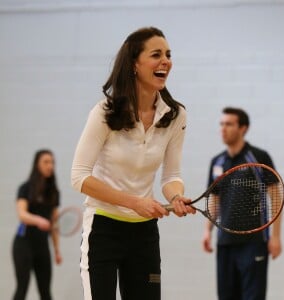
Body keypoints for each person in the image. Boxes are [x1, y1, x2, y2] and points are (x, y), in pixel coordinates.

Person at [71, 26, 195, 300]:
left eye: (168, 54)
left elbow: (171, 175)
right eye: (156, 55)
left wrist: (175, 196)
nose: (166, 61)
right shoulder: (105, 112)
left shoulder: (176, 116)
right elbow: (79, 177)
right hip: (103, 229)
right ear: (134, 65)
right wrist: (134, 202)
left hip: (144, 233)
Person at [202, 107, 282, 300]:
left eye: (229, 124)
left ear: (243, 128)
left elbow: (275, 196)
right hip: (225, 243)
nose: (223, 128)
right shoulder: (217, 162)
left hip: (254, 243)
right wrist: (207, 231)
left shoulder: (259, 158)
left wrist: (276, 237)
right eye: (221, 124)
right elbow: (215, 198)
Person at [12, 149, 62, 300]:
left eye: (52, 162)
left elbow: (54, 225)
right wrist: (38, 220)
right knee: (22, 288)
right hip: (23, 244)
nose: (50, 166)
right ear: (37, 164)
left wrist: (57, 250)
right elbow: (22, 214)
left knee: (46, 293)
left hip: (42, 246)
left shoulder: (54, 193)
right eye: (46, 162)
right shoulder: (25, 188)